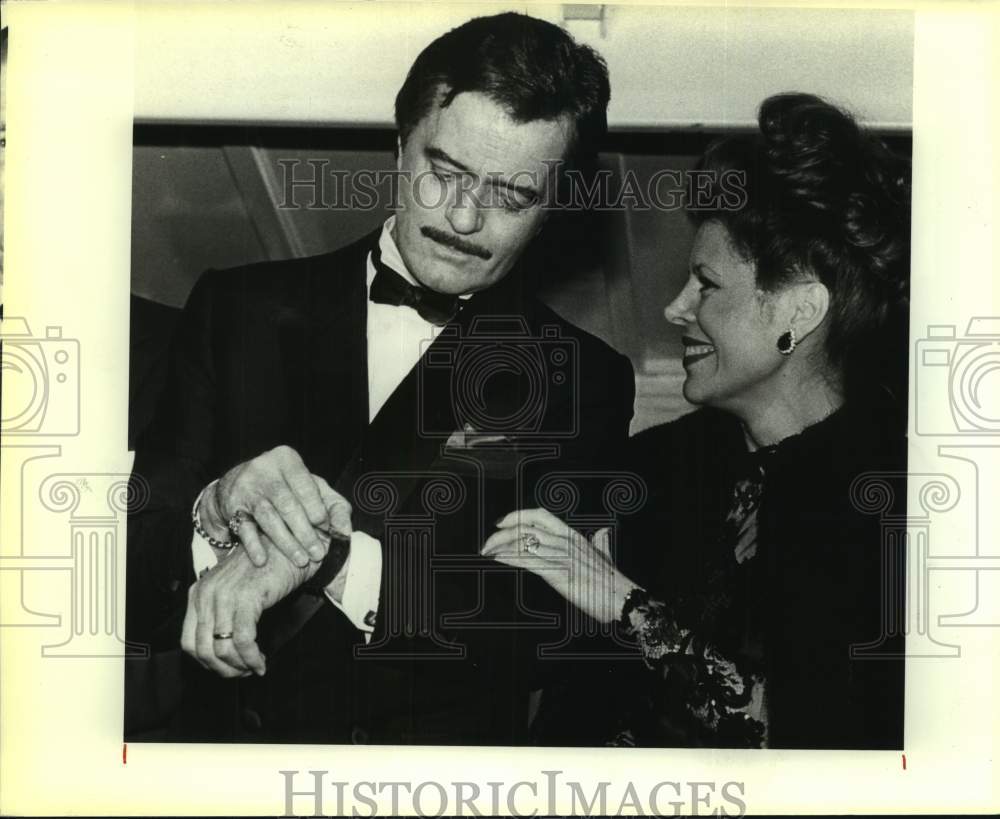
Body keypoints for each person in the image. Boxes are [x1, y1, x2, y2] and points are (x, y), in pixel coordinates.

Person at [125, 12, 635, 744]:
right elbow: (129, 556)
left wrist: (327, 559)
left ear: (553, 207)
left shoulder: (585, 378)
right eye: (445, 172)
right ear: (400, 145)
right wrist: (217, 507)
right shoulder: (238, 306)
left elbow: (532, 631)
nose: (464, 217)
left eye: (513, 196)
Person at [483, 93, 910, 749]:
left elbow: (814, 740)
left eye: (706, 284)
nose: (675, 308)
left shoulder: (894, 503)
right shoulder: (654, 464)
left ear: (798, 313)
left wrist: (624, 605)